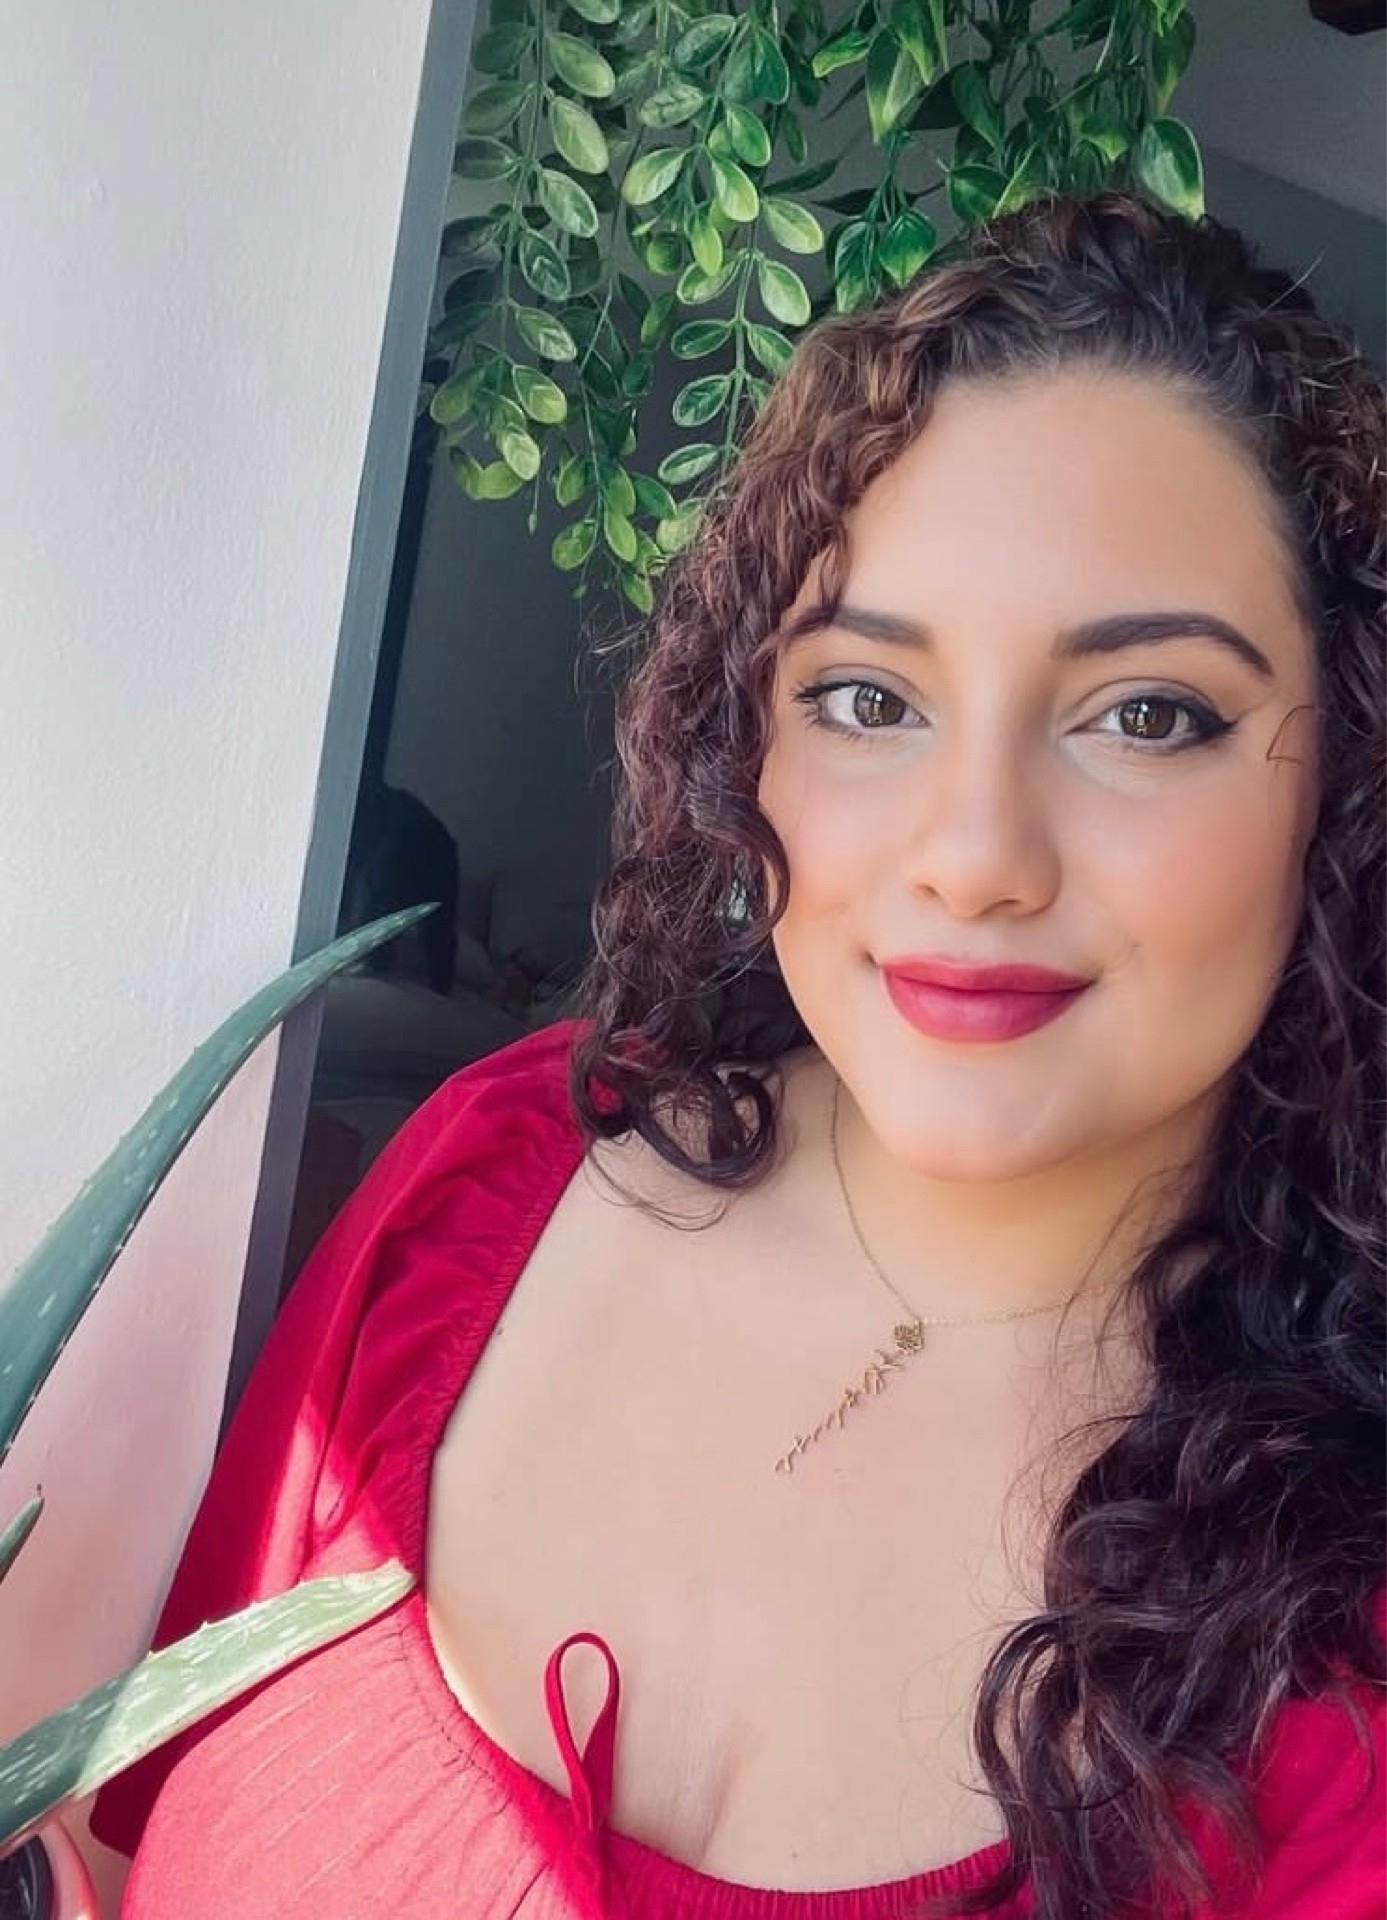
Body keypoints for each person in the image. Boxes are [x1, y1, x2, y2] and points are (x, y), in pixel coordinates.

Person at [91, 193, 1384, 1919]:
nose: (974, 856)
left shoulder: (1347, 1662)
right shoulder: (491, 1168)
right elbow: (111, 1836)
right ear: (748, 735)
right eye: (868, 697)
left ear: (1346, 780)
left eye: (1146, 714)